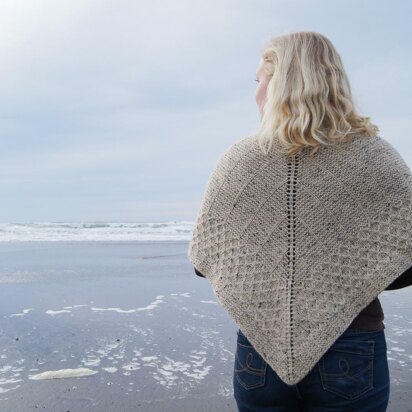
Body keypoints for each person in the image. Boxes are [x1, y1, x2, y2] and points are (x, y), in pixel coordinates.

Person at [188, 31, 412, 412]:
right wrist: (342, 282)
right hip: (353, 346)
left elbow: (203, 261)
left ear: (282, 85)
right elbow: (405, 264)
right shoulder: (378, 158)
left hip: (259, 350)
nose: (257, 93)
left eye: (261, 81)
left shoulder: (239, 161)